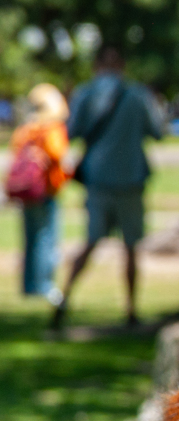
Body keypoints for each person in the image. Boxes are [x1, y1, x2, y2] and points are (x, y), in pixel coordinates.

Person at [52, 47, 164, 329]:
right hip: (131, 181)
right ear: (122, 66)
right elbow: (158, 131)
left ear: (97, 65)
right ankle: (131, 310)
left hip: (98, 182)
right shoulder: (138, 95)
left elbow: (71, 131)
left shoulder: (85, 94)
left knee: (90, 243)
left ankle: (63, 301)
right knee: (131, 248)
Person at [7, 84, 70, 304]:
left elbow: (14, 150)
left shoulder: (25, 130)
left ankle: (30, 285)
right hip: (45, 189)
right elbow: (58, 153)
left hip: (27, 191)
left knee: (31, 238)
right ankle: (43, 285)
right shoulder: (50, 129)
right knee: (45, 238)